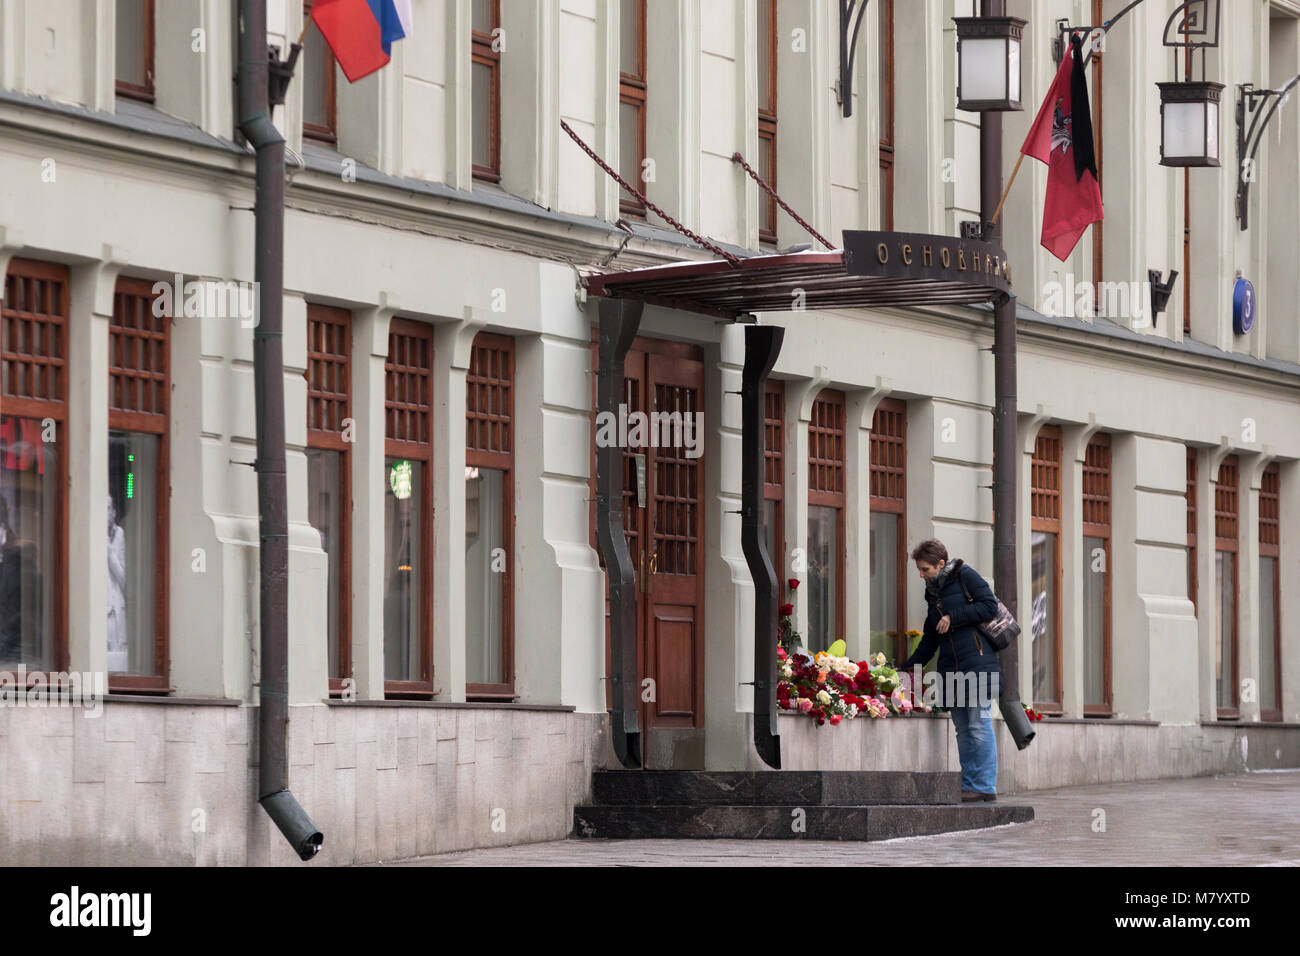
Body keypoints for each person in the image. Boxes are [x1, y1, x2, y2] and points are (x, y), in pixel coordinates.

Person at [899, 538, 1001, 802]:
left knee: (979, 724)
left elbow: (989, 606)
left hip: (977, 662)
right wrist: (907, 667)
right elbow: (931, 637)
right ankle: (970, 785)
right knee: (963, 728)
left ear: (941, 564)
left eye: (925, 569)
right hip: (950, 668)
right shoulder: (933, 593)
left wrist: (952, 617)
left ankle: (985, 786)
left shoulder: (965, 575)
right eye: (919, 570)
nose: (921, 575)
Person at [107, 494, 128, 672]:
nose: (105, 513)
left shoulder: (119, 535)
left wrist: (110, 554)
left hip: (116, 607)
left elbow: (124, 580)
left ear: (114, 512)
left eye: (108, 508)